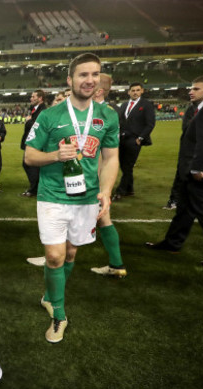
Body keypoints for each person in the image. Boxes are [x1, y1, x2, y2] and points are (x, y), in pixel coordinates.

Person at [24, 53, 120, 343]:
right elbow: (29, 156)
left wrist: (105, 191)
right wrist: (55, 155)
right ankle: (59, 316)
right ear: (70, 80)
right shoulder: (51, 115)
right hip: (52, 196)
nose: (89, 80)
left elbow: (111, 157)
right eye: (82, 75)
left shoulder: (108, 116)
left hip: (87, 199)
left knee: (72, 254)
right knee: (54, 256)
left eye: (94, 74)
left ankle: (50, 295)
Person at [146, 75, 203, 269]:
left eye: (196, 88)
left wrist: (197, 168)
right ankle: (173, 243)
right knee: (184, 210)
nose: (190, 91)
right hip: (195, 169)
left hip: (199, 171)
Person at [89, 74, 127, 278]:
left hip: (92, 176)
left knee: (99, 218)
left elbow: (107, 153)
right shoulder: (100, 111)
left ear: (99, 90)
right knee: (103, 218)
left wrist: (101, 182)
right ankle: (117, 264)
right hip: (96, 175)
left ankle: (53, 258)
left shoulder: (104, 113)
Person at [114, 82, 155, 200]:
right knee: (124, 166)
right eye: (133, 90)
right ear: (128, 92)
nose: (135, 92)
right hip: (122, 139)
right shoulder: (124, 105)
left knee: (128, 165)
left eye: (137, 90)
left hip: (134, 140)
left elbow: (150, 124)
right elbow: (120, 121)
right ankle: (130, 189)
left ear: (142, 91)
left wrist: (140, 138)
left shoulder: (146, 105)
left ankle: (120, 191)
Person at [163, 104, 196, 210]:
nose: (191, 92)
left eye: (196, 89)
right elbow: (186, 128)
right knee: (182, 174)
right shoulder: (192, 108)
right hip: (188, 149)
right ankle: (175, 200)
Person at [20, 89, 46, 197]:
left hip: (36, 142)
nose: (31, 98)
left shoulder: (42, 110)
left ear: (40, 98)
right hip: (33, 141)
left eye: (33, 96)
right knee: (29, 165)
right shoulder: (35, 109)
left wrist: (28, 121)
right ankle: (35, 187)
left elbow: (36, 125)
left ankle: (34, 189)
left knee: (30, 165)